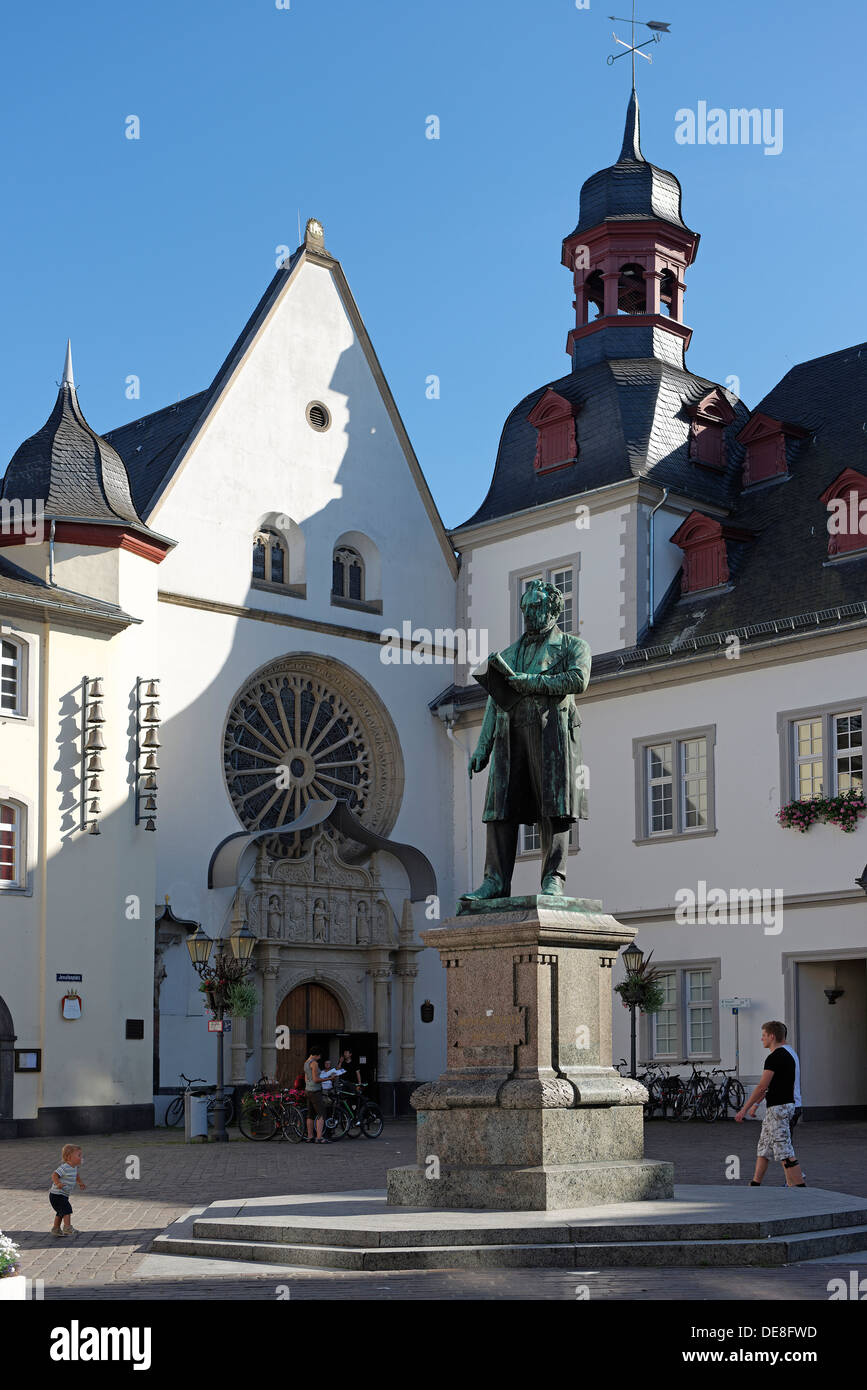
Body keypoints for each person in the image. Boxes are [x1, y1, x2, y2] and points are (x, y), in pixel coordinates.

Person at [462, 579, 591, 904]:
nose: (529, 613)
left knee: (555, 809)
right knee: (500, 808)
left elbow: (579, 679)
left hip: (551, 736)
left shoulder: (573, 646)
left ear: (553, 608)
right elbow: (495, 700)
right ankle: (494, 881)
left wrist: (531, 682)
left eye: (535, 607)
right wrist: (483, 747)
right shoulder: (509, 653)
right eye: (525, 608)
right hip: (510, 737)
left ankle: (553, 879)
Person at [735, 1021, 806, 1187]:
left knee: (784, 1150)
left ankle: (801, 1188)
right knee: (764, 1147)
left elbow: (762, 1086)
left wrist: (743, 1109)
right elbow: (775, 1085)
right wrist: (757, 1104)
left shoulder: (775, 1057)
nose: (762, 1039)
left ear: (772, 1036)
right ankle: (755, 1184)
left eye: (764, 1035)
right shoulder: (789, 1054)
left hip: (779, 1108)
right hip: (779, 1106)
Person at [49, 1143, 86, 1237]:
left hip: (63, 1194)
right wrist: (58, 1183)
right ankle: (67, 1227)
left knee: (61, 1212)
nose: (81, 1157)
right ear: (69, 1157)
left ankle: (56, 1229)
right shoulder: (64, 1167)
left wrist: (80, 1182)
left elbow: (76, 1175)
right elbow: (54, 1175)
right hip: (57, 1194)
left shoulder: (74, 1167)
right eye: (79, 1155)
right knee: (67, 1210)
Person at [303, 1049, 327, 1144]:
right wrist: (329, 1078)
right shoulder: (314, 1064)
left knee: (310, 1114)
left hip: (307, 1090)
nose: (320, 1058)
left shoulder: (306, 1063)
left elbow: (306, 1079)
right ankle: (319, 1137)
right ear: (317, 1055)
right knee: (321, 1113)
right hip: (315, 1091)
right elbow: (316, 1079)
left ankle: (310, 1137)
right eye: (320, 1056)